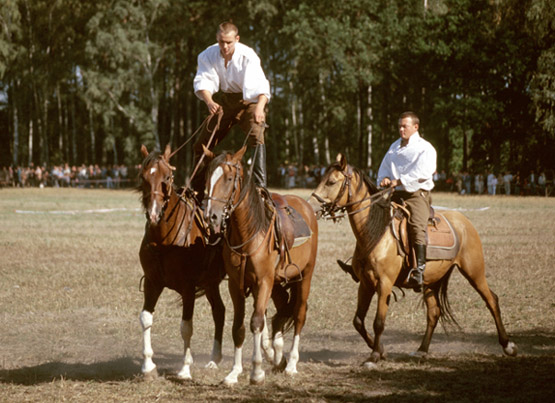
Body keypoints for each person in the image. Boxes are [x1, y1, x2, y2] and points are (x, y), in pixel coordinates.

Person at [191, 22, 271, 198]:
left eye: (228, 42)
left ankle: (260, 188)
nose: (224, 46)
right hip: (225, 101)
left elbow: (262, 87)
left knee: (257, 132)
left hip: (248, 101)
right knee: (202, 142)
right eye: (221, 42)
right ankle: (197, 189)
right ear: (217, 39)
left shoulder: (248, 56)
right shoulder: (207, 55)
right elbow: (203, 81)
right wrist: (209, 101)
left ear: (237, 39)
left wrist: (259, 108)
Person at [377, 111, 437, 291]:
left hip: (417, 195)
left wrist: (400, 181)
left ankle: (419, 269)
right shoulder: (394, 147)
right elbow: (384, 168)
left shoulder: (425, 148)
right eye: (399, 126)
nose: (401, 129)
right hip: (396, 194)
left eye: (405, 126)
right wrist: (385, 179)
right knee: (373, 217)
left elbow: (425, 172)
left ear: (415, 127)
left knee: (416, 225)